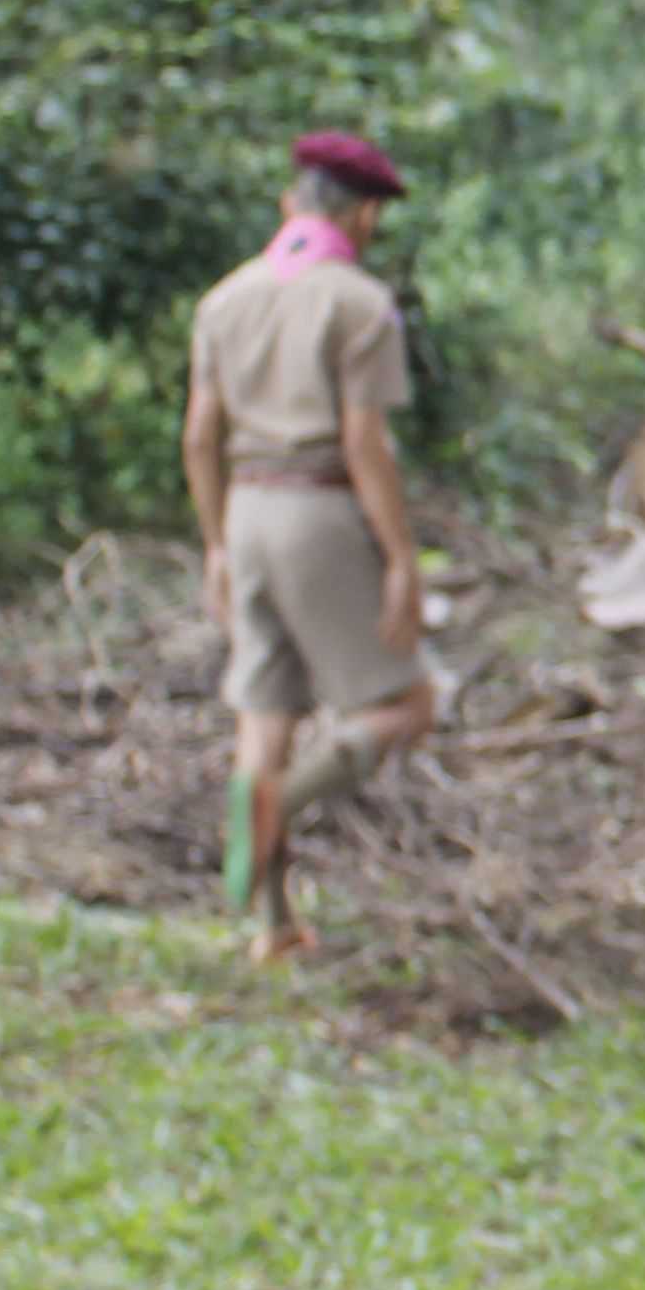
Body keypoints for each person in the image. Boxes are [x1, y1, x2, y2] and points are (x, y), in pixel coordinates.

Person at [183, 131, 439, 966]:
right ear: (364, 216)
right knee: (406, 706)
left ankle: (274, 927)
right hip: (317, 512)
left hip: (247, 512)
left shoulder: (224, 300)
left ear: (290, 205)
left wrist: (216, 543)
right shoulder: (357, 303)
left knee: (265, 716)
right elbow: (365, 443)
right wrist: (400, 558)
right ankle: (279, 807)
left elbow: (199, 436)